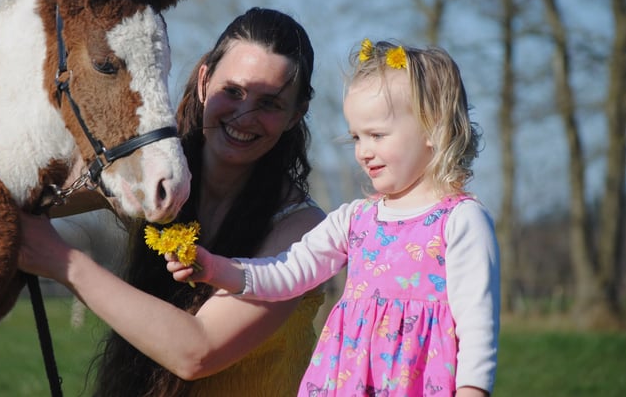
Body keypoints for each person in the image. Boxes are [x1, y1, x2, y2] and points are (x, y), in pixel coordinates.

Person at [18, 7, 326, 396]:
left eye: (269, 104)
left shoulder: (302, 228)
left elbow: (198, 352)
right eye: (233, 92)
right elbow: (23, 193)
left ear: (296, 114)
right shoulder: (153, 174)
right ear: (204, 82)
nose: (244, 116)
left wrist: (63, 262)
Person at [168, 39, 501, 396]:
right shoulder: (355, 220)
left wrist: (472, 390)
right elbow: (287, 272)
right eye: (357, 137)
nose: (363, 152)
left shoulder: (460, 220)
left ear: (433, 129)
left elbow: (477, 325)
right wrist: (217, 269)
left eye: (377, 135)